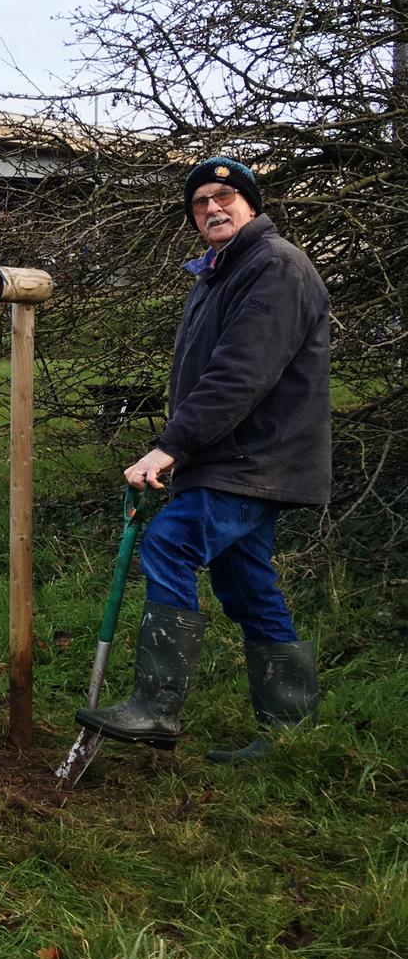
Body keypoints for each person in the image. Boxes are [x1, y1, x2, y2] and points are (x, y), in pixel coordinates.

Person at [77, 157, 330, 762]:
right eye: (200, 202)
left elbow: (239, 377)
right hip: (237, 458)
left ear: (251, 203)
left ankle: (155, 708)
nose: (213, 208)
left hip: (252, 457)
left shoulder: (274, 267)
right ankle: (289, 731)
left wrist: (168, 448)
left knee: (170, 544)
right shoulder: (220, 272)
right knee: (246, 584)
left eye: (226, 196)